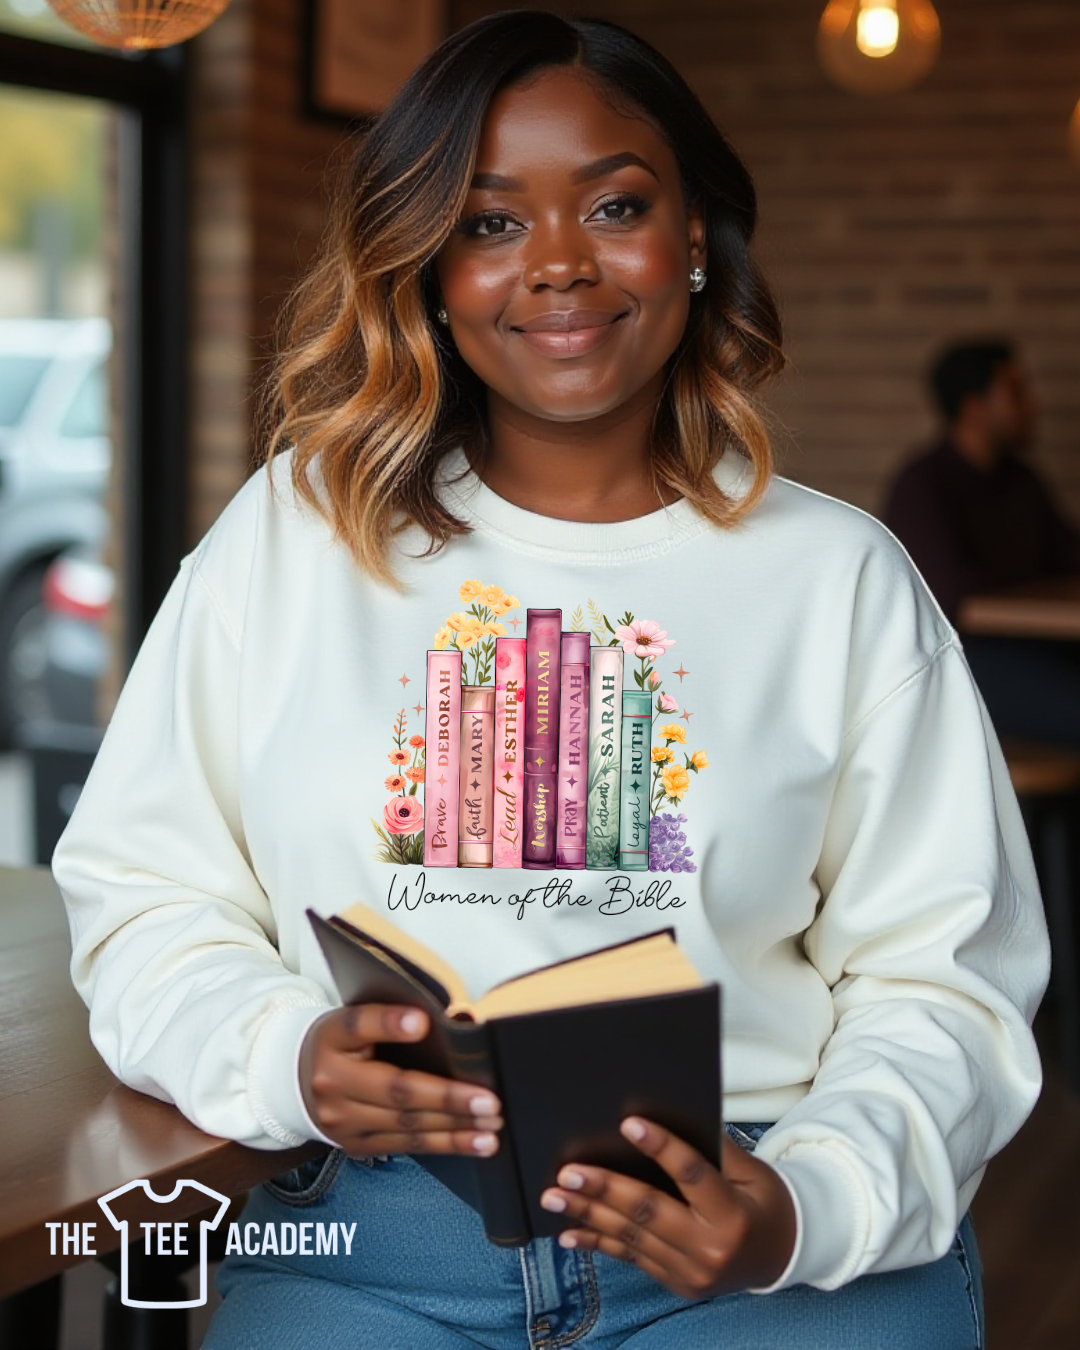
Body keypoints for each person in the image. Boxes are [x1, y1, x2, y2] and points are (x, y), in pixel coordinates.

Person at [53, 13, 1048, 1349]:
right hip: (373, 1231)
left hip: (756, 1223)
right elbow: (145, 892)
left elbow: (948, 981)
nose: (562, 264)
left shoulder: (841, 578)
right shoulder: (293, 536)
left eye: (617, 203)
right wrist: (283, 1052)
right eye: (491, 221)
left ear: (693, 236)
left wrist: (803, 1200)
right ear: (429, 266)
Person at [885, 341, 1080, 744]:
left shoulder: (1021, 479)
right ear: (974, 406)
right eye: (1016, 392)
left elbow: (1067, 554)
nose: (1033, 406)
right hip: (960, 664)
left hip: (1036, 647)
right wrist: (1031, 583)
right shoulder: (922, 485)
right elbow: (953, 596)